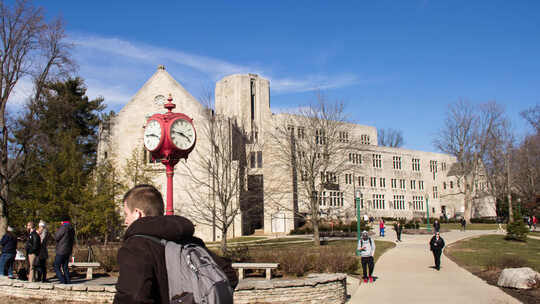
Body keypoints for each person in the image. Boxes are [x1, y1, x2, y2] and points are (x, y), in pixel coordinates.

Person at [114, 184, 238, 303]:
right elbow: (228, 275)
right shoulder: (190, 242)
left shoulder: (136, 247)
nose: (125, 221)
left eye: (126, 214)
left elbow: (132, 298)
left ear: (137, 213)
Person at [54, 217, 75, 284]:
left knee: (56, 266)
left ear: (63, 221)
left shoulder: (63, 227)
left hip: (61, 250)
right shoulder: (71, 228)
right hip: (68, 250)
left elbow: (57, 237)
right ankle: (68, 281)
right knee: (65, 267)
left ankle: (62, 280)